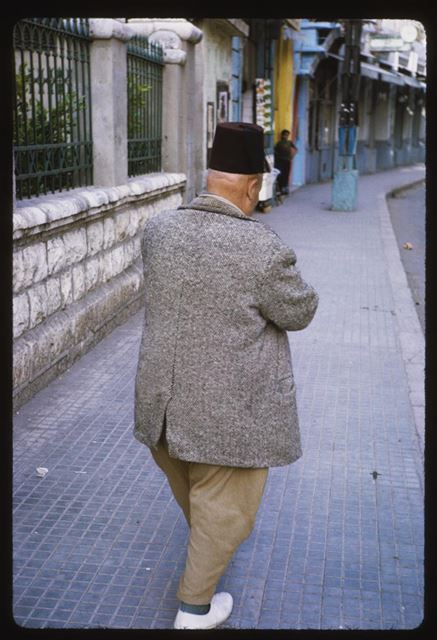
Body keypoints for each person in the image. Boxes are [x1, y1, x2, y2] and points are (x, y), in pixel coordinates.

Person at [134, 122, 318, 630]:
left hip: (161, 408)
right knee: (223, 510)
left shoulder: (158, 229)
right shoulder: (261, 247)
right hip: (227, 414)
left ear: (210, 176)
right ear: (254, 186)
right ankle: (194, 611)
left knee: (200, 500)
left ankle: (208, 557)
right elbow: (298, 311)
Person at [274, 128, 298, 196]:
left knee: (286, 174)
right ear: (282, 135)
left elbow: (296, 149)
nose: (286, 136)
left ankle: (285, 188)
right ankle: (280, 189)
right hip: (280, 161)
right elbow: (275, 151)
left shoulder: (289, 142)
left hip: (287, 161)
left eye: (287, 135)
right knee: (280, 175)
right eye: (284, 135)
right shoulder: (279, 143)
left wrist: (292, 157)